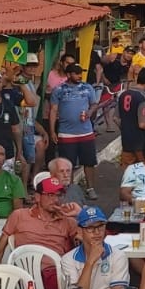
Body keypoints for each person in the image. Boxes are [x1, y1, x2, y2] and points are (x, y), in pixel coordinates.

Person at [0, 176, 78, 289]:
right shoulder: (19, 216)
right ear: (37, 197)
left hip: (59, 273)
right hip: (28, 274)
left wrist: (78, 214)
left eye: (59, 195)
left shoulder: (68, 221)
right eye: (51, 195)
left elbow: (88, 245)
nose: (56, 200)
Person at [46, 62, 101, 200]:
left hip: (86, 132)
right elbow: (53, 110)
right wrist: (52, 131)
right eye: (76, 73)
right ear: (69, 75)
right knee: (66, 164)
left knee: (89, 162)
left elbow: (94, 104)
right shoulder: (59, 90)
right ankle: (68, 191)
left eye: (80, 73)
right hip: (66, 133)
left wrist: (90, 112)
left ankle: (90, 188)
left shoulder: (88, 88)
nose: (79, 76)